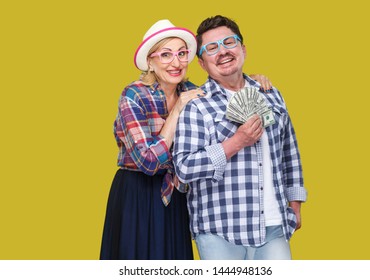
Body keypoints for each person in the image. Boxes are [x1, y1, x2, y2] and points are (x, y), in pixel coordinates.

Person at [100, 19, 273, 260]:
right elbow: (148, 162)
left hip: (175, 194)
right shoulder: (133, 95)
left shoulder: (192, 91)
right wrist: (177, 110)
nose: (176, 62)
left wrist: (250, 80)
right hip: (137, 194)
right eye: (166, 55)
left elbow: (223, 91)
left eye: (182, 54)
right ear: (150, 61)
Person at [173, 15, 307, 260]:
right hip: (220, 231)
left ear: (243, 49)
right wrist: (236, 143)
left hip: (274, 226)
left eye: (229, 42)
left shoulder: (271, 94)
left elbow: (290, 150)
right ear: (202, 63)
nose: (222, 52)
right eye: (211, 48)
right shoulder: (197, 105)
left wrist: (295, 202)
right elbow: (183, 169)